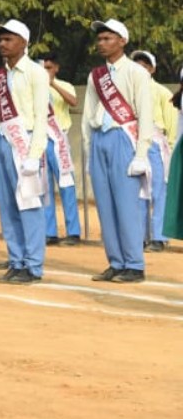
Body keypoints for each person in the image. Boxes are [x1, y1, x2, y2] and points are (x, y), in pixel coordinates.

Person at [84, 19, 156, 283]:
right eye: (100, 39)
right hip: (100, 138)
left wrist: (141, 154)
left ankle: (134, 264)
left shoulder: (137, 73)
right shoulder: (95, 75)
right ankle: (115, 262)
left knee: (127, 204)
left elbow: (145, 114)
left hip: (124, 138)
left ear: (122, 41)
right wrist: (88, 144)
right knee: (105, 205)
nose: (102, 43)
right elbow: (89, 113)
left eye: (108, 38)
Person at [0, 20, 50, 284]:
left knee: (29, 203)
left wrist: (34, 155)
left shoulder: (36, 73)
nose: (2, 44)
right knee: (8, 206)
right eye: (0, 40)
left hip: (25, 143)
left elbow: (41, 116)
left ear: (23, 42)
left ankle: (33, 265)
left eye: (8, 39)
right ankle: (16, 260)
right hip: (2, 141)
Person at [130, 50, 175, 252]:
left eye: (145, 65)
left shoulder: (162, 92)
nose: (141, 68)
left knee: (158, 191)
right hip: (133, 142)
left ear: (152, 69)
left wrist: (171, 149)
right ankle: (140, 236)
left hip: (156, 143)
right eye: (137, 64)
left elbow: (172, 124)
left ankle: (159, 236)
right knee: (139, 193)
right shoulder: (127, 92)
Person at [38, 52, 82, 247]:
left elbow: (73, 101)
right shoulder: (34, 87)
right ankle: (50, 232)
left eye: (49, 67)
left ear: (56, 68)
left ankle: (73, 231)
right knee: (45, 188)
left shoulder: (64, 85)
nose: (45, 71)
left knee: (66, 185)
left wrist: (52, 84)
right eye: (43, 67)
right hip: (40, 140)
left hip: (59, 140)